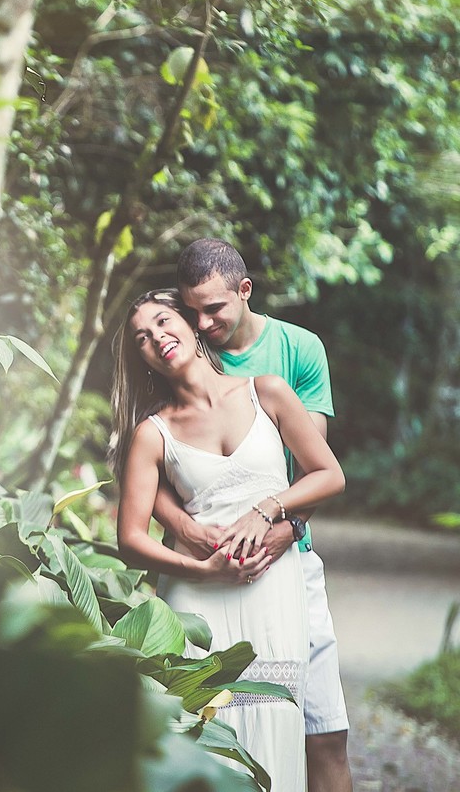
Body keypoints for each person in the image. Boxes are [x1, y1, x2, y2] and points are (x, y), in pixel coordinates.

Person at [110, 288, 345, 791]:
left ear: (193, 327)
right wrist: (203, 569)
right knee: (212, 733)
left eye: (164, 321)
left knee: (275, 722)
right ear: (142, 358)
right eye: (142, 338)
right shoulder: (153, 433)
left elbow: (328, 475)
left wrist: (269, 508)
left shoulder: (267, 391)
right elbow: (129, 537)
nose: (157, 337)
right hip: (200, 600)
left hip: (273, 591)